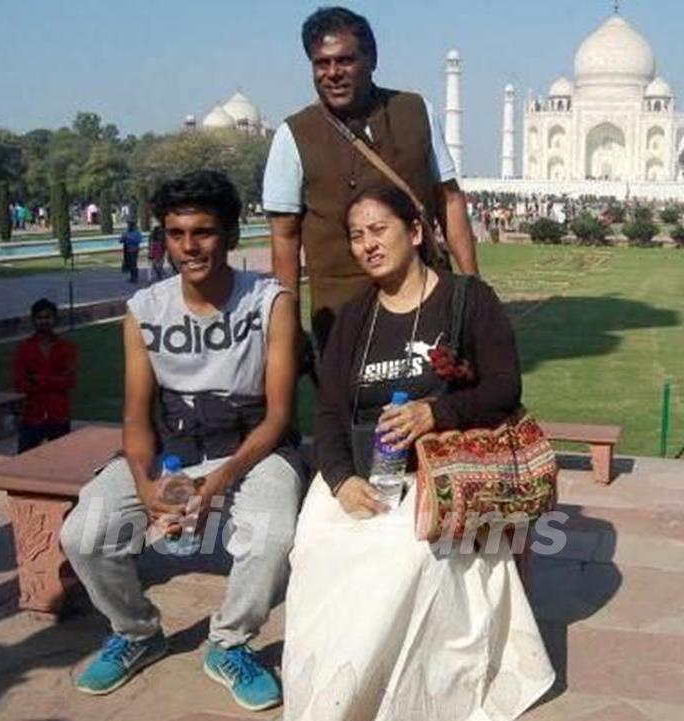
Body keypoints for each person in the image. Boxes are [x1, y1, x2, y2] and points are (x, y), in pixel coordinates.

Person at [282, 184, 554, 721]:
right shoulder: (356, 317)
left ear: (415, 231)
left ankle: (398, 701)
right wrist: (338, 479)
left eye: (378, 230)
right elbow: (332, 409)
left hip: (438, 478)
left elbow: (505, 386)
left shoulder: (467, 300)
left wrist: (437, 412)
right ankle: (333, 700)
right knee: (314, 552)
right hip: (364, 472)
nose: (367, 245)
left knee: (400, 560)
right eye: (356, 236)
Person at [60, 170, 303, 711]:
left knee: (272, 535)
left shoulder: (270, 302)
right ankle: (137, 631)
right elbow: (135, 417)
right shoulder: (146, 309)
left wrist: (219, 481)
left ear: (232, 236)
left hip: (250, 443)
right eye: (176, 233)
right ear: (163, 238)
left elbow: (278, 415)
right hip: (174, 444)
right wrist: (148, 486)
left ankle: (230, 642)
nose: (189, 247)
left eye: (204, 232)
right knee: (84, 533)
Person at [263, 6, 479, 353]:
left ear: (372, 59)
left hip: (426, 299)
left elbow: (449, 200)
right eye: (321, 63)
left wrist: (471, 288)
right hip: (345, 314)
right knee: (354, 407)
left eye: (345, 60)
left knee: (439, 401)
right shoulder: (294, 135)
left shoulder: (415, 112)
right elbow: (284, 238)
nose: (332, 73)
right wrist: (288, 324)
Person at [12, 298, 78, 453]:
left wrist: (38, 379)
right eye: (40, 318)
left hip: (59, 414)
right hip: (32, 413)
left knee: (61, 458)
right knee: (24, 459)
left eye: (48, 317)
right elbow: (20, 383)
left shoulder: (67, 348)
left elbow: (70, 381)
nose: (44, 321)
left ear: (55, 320)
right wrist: (54, 380)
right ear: (33, 320)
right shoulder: (24, 348)